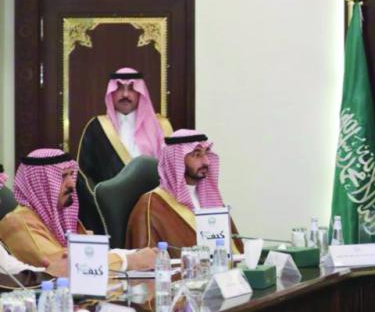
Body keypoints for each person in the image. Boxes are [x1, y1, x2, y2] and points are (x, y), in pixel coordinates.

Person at [0, 149, 155, 275]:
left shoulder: (61, 217)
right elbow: (66, 268)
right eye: (62, 177)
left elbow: (91, 255)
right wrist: (131, 261)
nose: (71, 184)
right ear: (40, 184)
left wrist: (136, 253)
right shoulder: (18, 223)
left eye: (71, 175)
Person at [76, 68, 173, 230]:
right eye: (119, 88)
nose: (125, 94)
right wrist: (100, 204)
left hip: (152, 210)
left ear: (140, 92)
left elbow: (173, 172)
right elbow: (83, 175)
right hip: (109, 213)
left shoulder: (161, 127)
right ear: (111, 92)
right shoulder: (97, 127)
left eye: (132, 88)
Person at [126, 130, 242, 254]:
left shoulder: (212, 199)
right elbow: (145, 259)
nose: (206, 161)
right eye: (197, 155)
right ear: (176, 161)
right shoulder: (151, 205)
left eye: (206, 153)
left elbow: (236, 251)